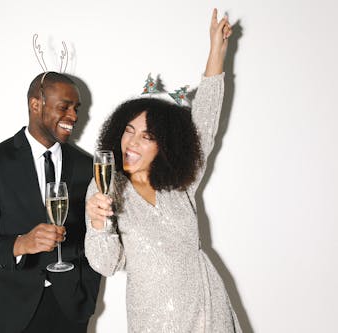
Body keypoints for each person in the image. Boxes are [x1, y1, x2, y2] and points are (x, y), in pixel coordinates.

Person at [85, 9, 242, 332]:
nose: (132, 142)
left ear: (164, 145)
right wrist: (98, 223)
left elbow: (206, 121)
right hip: (154, 316)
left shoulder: (180, 184)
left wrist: (216, 50)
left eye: (147, 136)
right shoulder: (106, 185)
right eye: (129, 130)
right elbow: (105, 263)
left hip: (206, 307)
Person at [0, 72, 101, 333]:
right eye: (64, 107)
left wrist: (88, 291)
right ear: (35, 104)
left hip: (69, 311)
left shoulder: (86, 166)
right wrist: (21, 244)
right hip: (7, 312)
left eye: (76, 108)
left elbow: (93, 237)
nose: (73, 116)